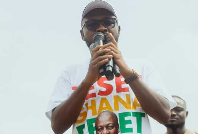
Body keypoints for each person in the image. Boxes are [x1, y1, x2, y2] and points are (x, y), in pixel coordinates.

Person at [45, 0, 176, 134]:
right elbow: (57, 126)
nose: (101, 28)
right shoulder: (70, 73)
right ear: (82, 34)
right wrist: (88, 81)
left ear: (118, 29)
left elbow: (166, 116)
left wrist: (128, 73)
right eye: (92, 24)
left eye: (108, 22)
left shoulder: (143, 67)